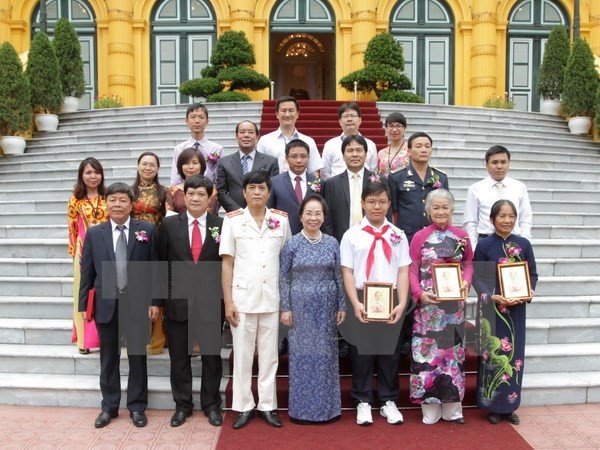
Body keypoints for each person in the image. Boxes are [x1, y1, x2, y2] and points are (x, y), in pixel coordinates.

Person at [78, 182, 160, 429]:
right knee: (108, 358)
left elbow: (155, 268)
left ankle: (137, 407)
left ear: (131, 204)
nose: (117, 204)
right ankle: (109, 407)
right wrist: (84, 304)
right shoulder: (95, 233)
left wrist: (156, 301)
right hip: (106, 304)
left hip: (137, 304)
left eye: (122, 200)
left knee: (137, 357)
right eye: (112, 199)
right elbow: (87, 272)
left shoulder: (146, 229)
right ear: (106, 203)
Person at [220, 171, 291, 430]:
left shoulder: (281, 221)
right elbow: (227, 263)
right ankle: (244, 405)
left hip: (272, 298)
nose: (257, 192)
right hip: (243, 299)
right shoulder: (233, 221)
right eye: (252, 188)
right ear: (244, 192)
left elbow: (286, 262)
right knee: (243, 355)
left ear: (269, 192)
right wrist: (228, 301)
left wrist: (286, 301)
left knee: (270, 355)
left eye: (262, 188)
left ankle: (267, 405)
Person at [339, 182, 411, 426]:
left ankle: (388, 400)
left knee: (389, 352)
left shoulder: (398, 235)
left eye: (382, 201)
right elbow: (347, 271)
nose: (377, 206)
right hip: (361, 298)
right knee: (362, 352)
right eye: (371, 201)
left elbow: (403, 270)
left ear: (389, 204)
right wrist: (354, 303)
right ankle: (362, 401)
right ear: (362, 204)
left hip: (390, 298)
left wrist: (402, 302)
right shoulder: (352, 235)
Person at [157, 175, 224, 428]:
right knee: (179, 357)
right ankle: (182, 405)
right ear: (183, 197)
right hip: (178, 302)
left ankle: (211, 405)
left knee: (211, 356)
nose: (196, 198)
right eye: (191, 193)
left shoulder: (222, 225)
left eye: (201, 194)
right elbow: (160, 264)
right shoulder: (169, 225)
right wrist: (157, 301)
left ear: (209, 199)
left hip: (210, 301)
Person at [408, 189, 473, 425]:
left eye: (445, 207)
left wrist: (466, 282)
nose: (440, 211)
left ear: (453, 209)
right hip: (427, 308)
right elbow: (412, 270)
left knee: (452, 358)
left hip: (453, 308)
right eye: (435, 207)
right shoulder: (419, 237)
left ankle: (453, 409)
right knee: (427, 357)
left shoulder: (462, 236)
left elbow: (468, 265)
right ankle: (430, 409)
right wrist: (418, 293)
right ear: (427, 210)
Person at [279, 194, 346, 423]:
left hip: (326, 310)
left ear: (324, 216)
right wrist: (285, 308)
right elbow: (283, 277)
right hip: (299, 310)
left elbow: (338, 276)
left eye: (318, 213)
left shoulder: (332, 242)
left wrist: (342, 305)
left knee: (325, 358)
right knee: (301, 358)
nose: (313, 217)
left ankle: (327, 411)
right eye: (309, 213)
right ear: (301, 216)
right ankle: (301, 411)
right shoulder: (292, 244)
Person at [473, 199, 538, 426]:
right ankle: (491, 405)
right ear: (492, 219)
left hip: (516, 310)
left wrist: (528, 291)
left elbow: (532, 274)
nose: (507, 220)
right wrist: (489, 296)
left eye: (511, 216)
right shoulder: (484, 245)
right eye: (502, 216)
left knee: (514, 356)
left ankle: (510, 406)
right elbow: (477, 277)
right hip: (492, 310)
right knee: (492, 353)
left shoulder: (523, 244)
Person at [67, 157, 107, 354]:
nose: (93, 176)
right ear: (81, 176)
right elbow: (72, 228)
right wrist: (75, 254)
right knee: (82, 295)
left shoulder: (109, 196)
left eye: (96, 172)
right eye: (88, 173)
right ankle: (83, 340)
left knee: (104, 294)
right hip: (84, 251)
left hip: (107, 252)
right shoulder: (75, 200)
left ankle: (103, 337)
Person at [131, 151, 168, 355]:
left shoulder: (164, 192)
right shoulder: (129, 191)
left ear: (157, 168)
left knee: (156, 285)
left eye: (152, 165)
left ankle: (158, 337)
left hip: (157, 241)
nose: (148, 168)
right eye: (144, 164)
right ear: (138, 166)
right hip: (134, 244)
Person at [463, 145, 533, 249]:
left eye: (503, 162)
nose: (499, 166)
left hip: (514, 244)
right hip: (485, 243)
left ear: (509, 164)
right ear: (486, 165)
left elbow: (525, 219)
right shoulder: (475, 189)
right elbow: (470, 222)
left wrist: (524, 243)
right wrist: (473, 248)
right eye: (494, 162)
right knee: (484, 267)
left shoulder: (519, 187)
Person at [322, 134, 388, 243]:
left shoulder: (379, 180)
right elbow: (327, 219)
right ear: (343, 156)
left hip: (374, 240)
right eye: (350, 150)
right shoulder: (331, 183)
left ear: (366, 155)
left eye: (359, 150)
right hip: (342, 241)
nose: (355, 154)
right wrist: (332, 243)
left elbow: (386, 212)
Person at [389, 132, 449, 242]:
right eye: (418, 146)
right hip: (407, 237)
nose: (424, 150)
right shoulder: (397, 177)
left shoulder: (441, 177)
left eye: (427, 146)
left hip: (435, 236)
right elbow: (393, 211)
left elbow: (447, 209)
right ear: (409, 151)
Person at [216, 120, 279, 212]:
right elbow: (221, 191)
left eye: (250, 132)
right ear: (236, 137)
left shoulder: (270, 162)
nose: (246, 135)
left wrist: (261, 210)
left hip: (262, 214)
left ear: (257, 137)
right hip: (235, 215)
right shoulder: (225, 162)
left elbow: (273, 190)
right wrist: (238, 211)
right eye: (242, 132)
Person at [257, 95, 323, 175]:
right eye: (283, 110)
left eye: (291, 110)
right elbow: (259, 170)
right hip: (274, 186)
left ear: (297, 114)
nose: (287, 114)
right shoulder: (265, 141)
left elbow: (314, 172)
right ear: (277, 114)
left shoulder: (308, 141)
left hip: (301, 186)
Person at [267, 139, 319, 235]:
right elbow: (269, 212)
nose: (299, 160)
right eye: (294, 156)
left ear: (308, 158)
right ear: (286, 159)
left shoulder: (317, 182)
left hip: (312, 236)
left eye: (303, 156)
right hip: (282, 235)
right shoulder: (274, 182)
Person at [321, 102, 378, 180]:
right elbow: (325, 172)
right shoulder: (330, 145)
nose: (349, 119)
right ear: (340, 122)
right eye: (345, 116)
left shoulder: (370, 144)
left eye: (353, 116)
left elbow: (373, 170)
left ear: (360, 120)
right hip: (338, 189)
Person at [170, 103, 223, 185]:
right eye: (193, 117)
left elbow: (220, 178)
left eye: (201, 117)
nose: (197, 121)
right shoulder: (179, 149)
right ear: (186, 121)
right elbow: (176, 178)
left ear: (207, 121)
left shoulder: (217, 149)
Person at [166, 147, 208, 214]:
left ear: (201, 165)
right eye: (186, 163)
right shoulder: (172, 192)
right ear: (181, 166)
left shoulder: (211, 191)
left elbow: (210, 215)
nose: (190, 167)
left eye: (195, 163)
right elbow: (170, 218)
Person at [377, 112, 410, 176]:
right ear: (386, 128)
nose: (394, 129)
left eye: (398, 126)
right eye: (391, 126)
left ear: (405, 128)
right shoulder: (381, 153)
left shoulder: (410, 150)